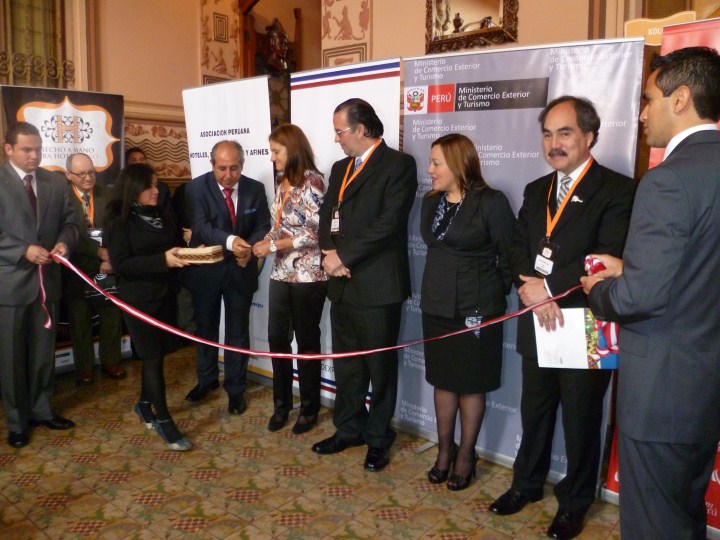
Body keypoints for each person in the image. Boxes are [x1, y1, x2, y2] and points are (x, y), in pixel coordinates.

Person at [581, 47, 720, 540]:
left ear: (680, 99)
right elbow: (701, 267)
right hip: (703, 385)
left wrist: (601, 289)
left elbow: (637, 299)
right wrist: (634, 268)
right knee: (683, 516)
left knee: (654, 526)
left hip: (663, 393)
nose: (641, 114)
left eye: (648, 99)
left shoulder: (667, 181)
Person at [490, 96, 636, 539]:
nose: (554, 143)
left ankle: (574, 502)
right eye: (548, 134)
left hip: (585, 323)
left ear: (589, 136)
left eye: (565, 133)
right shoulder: (536, 189)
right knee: (534, 410)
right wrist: (532, 290)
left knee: (580, 420)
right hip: (538, 317)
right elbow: (517, 247)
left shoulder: (618, 190)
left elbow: (608, 256)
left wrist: (549, 288)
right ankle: (527, 484)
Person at [312, 98, 417, 472]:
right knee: (347, 365)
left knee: (379, 368)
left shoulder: (398, 165)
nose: (337, 139)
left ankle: (378, 438)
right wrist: (330, 254)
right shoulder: (340, 168)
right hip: (342, 284)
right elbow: (327, 215)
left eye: (340, 131)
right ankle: (348, 429)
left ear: (360, 129)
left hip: (377, 285)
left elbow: (389, 223)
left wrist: (344, 257)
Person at [421, 133, 515, 490]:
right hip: (436, 305)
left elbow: (509, 254)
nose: (429, 170)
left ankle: (466, 455)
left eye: (436, 163)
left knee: (471, 383)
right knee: (443, 379)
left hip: (476, 308)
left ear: (459, 165)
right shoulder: (431, 202)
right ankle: (445, 450)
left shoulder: (491, 201)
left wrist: (490, 292)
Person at [0, 121, 79, 448]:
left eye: (38, 149)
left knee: (43, 353)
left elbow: (71, 223)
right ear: (8, 149)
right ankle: (17, 421)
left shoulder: (55, 182)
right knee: (12, 358)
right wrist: (23, 250)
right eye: (26, 150)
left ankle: (42, 409)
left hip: (48, 283)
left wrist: (63, 243)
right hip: (11, 285)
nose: (34, 155)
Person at [105, 163, 192, 451]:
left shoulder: (160, 213)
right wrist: (162, 260)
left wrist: (185, 249)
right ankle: (164, 420)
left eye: (157, 185)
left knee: (158, 355)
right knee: (152, 357)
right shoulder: (118, 220)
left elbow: (171, 245)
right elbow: (122, 265)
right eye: (149, 187)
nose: (156, 191)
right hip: (138, 300)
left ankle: (144, 405)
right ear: (133, 189)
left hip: (164, 295)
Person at [182, 140, 270, 415]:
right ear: (212, 165)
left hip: (241, 271)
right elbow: (201, 227)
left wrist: (249, 249)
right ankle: (206, 380)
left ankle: (235, 388)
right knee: (205, 329)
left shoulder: (255, 188)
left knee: (237, 332)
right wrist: (233, 242)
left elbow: (263, 225)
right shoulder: (196, 188)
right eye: (222, 168)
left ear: (242, 165)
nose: (228, 175)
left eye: (234, 168)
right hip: (206, 272)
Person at [252, 124, 328, 435]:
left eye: (276, 151)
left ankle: (309, 409)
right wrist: (264, 242)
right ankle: (281, 405)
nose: (272, 158)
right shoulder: (282, 181)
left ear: (292, 149)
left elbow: (315, 233)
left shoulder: (313, 181)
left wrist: (274, 246)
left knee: (307, 343)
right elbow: (279, 226)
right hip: (281, 272)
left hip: (308, 275)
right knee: (277, 339)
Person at [62, 153, 125, 385]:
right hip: (76, 267)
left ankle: (111, 361)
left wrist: (110, 258)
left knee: (111, 315)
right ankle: (84, 368)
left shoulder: (107, 195)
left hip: (106, 266)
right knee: (79, 320)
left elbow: (118, 229)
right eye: (81, 174)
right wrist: (97, 252)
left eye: (91, 172)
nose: (88, 178)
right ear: (68, 175)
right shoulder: (61, 197)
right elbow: (67, 232)